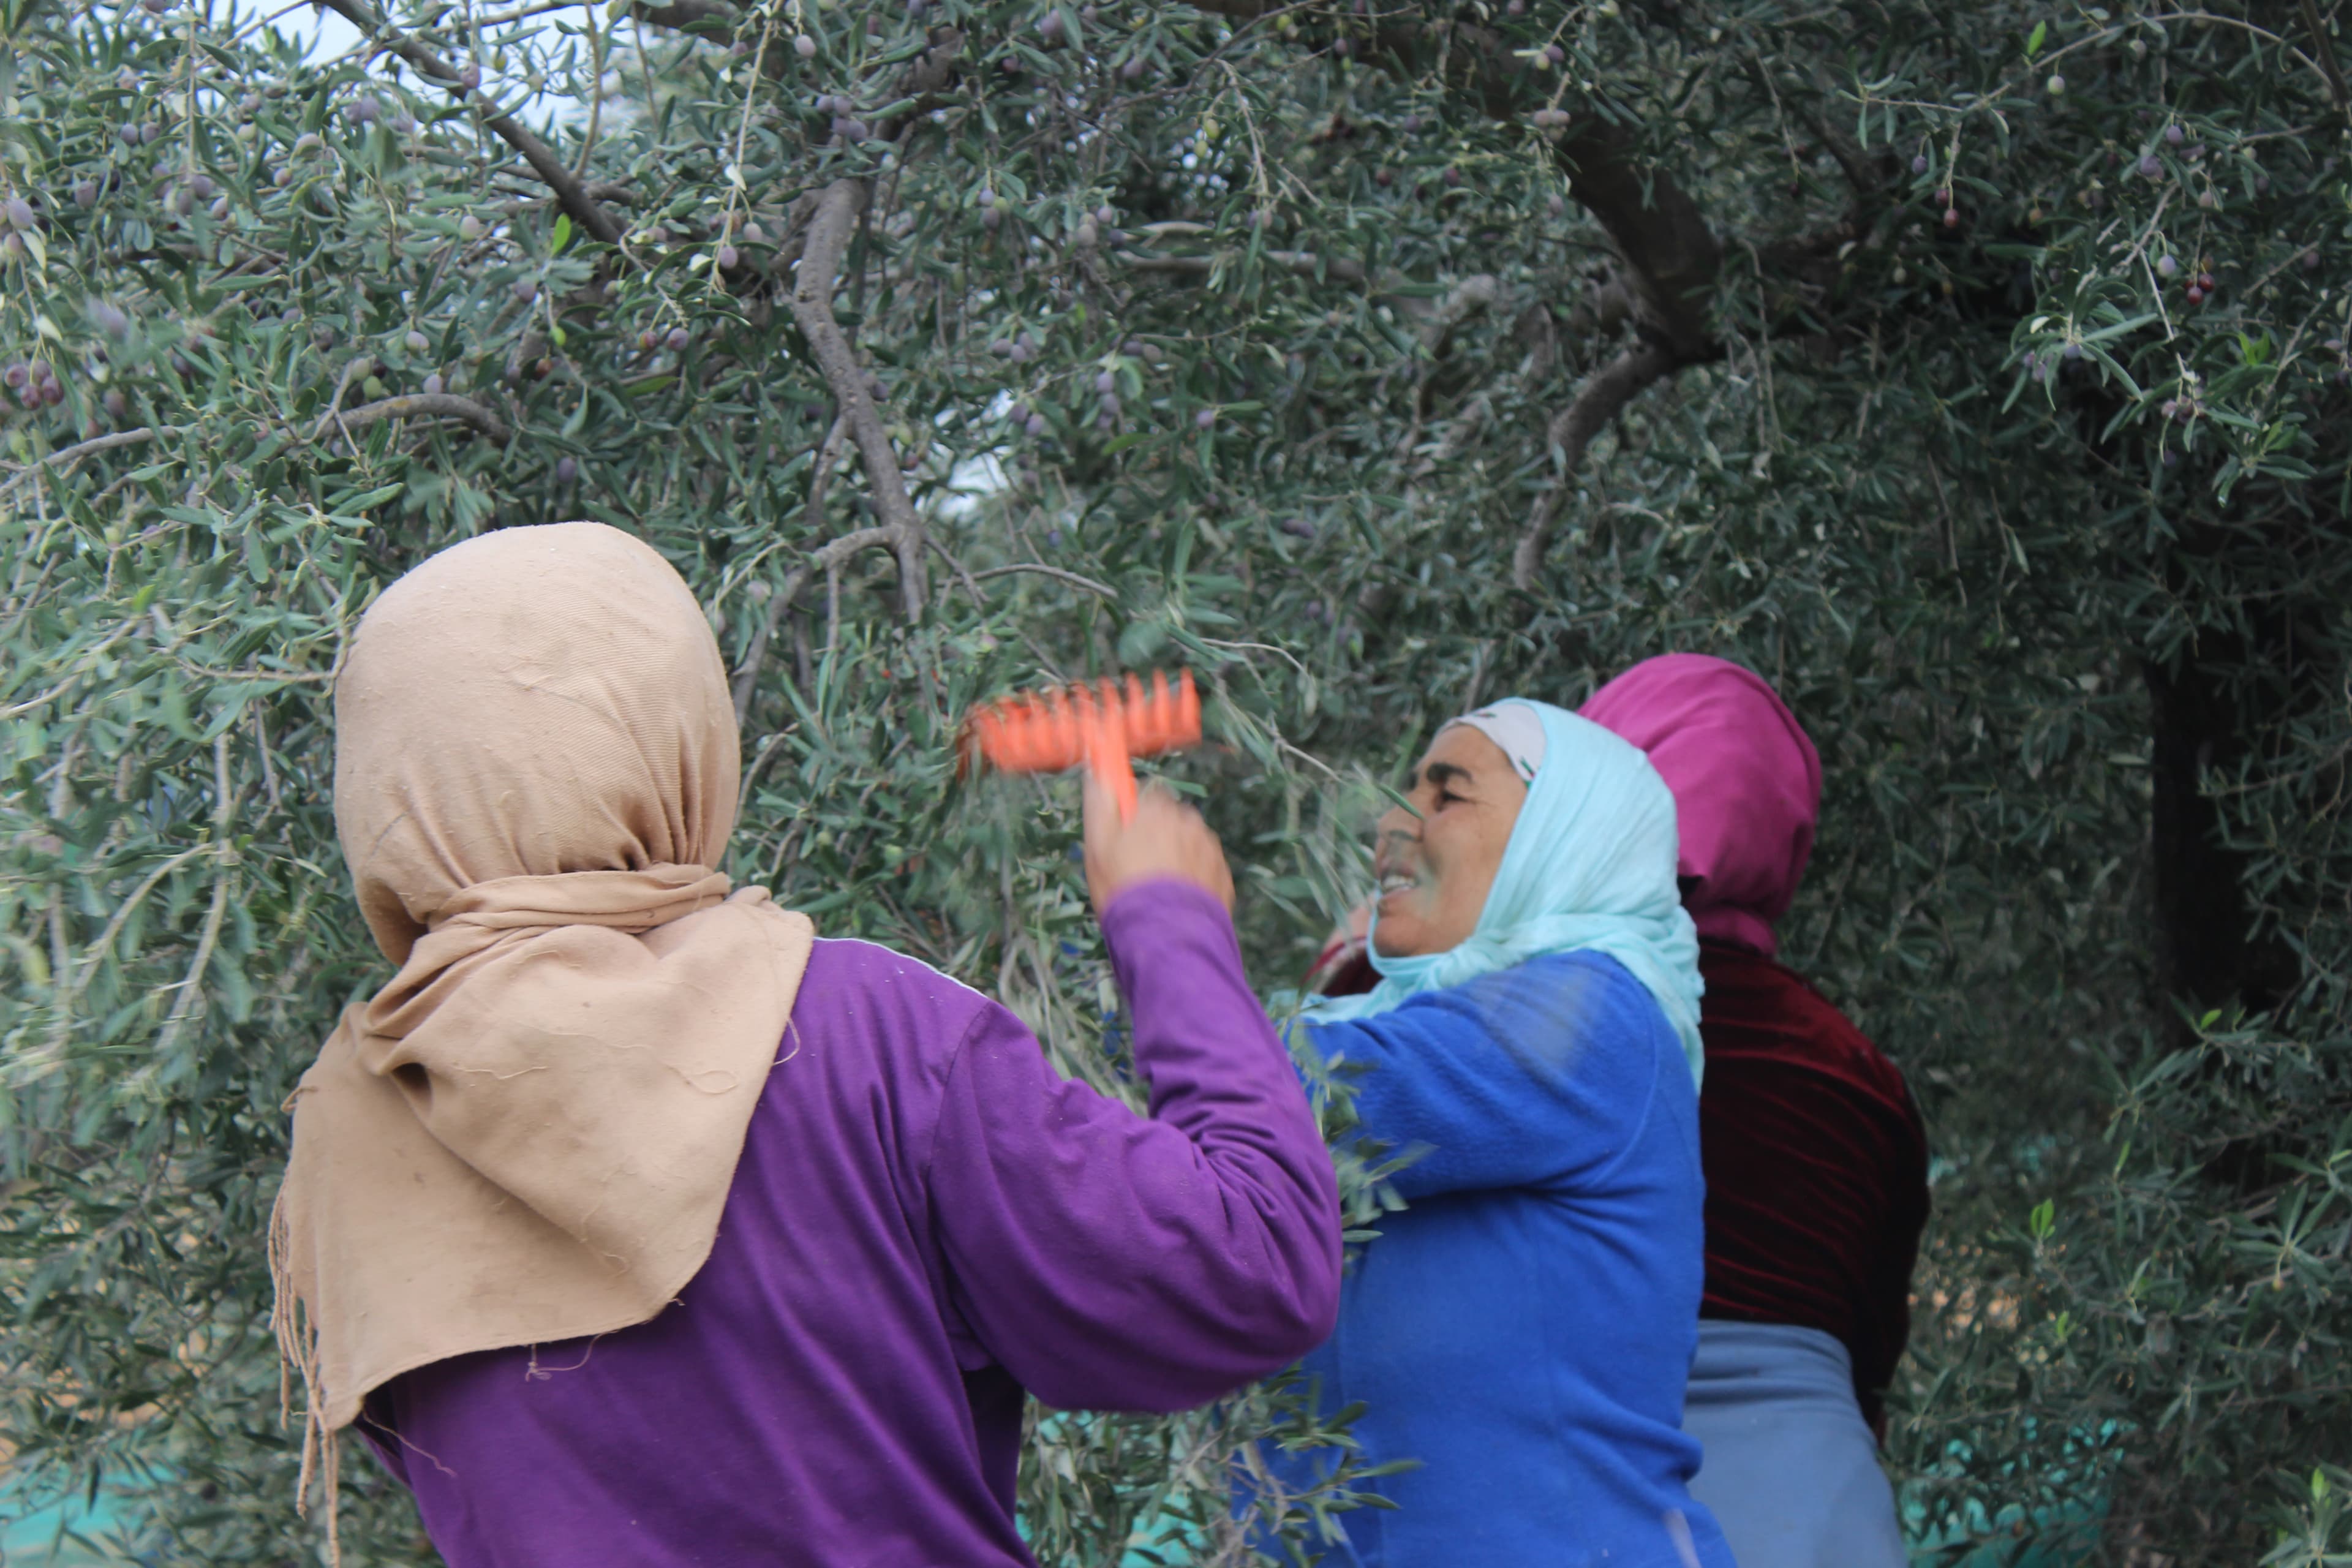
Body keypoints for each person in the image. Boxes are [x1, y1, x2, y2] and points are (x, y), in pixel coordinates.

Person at [269, 521, 1343, 1566]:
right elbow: (1253, 1268)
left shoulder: (348, 1139)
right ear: (678, 734)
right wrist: (1167, 919)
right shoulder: (859, 1031)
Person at [1274, 699, 1736, 1568]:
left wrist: (1158, 919)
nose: (1392, 825)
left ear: (1565, 838)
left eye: (1447, 796)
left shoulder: (1597, 1016)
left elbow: (1294, 1097)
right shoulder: (1391, 1022)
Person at [1581, 653, 1931, 1568]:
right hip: (1817, 1511)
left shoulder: (1523, 1017)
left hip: (1589, 1489)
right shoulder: (1860, 1074)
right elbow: (1871, 1356)